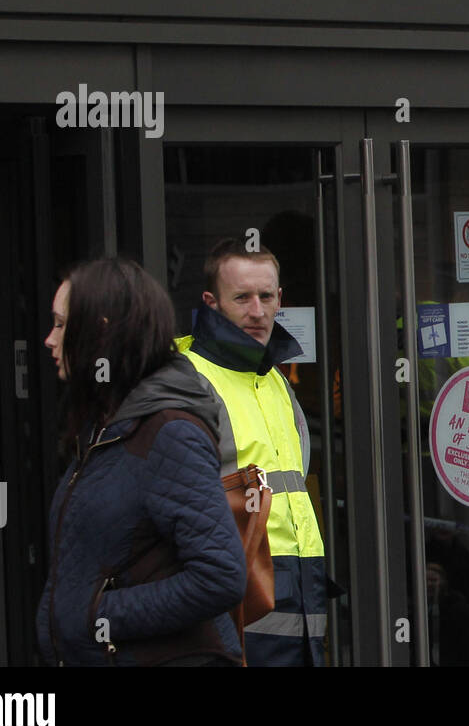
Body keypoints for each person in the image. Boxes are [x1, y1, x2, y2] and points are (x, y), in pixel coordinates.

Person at [36, 258, 246, 666]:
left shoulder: (168, 431)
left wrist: (94, 617)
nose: (48, 339)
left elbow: (219, 578)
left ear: (101, 330)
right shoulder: (106, 426)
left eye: (61, 324)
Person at [177, 237, 327, 666]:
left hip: (301, 582)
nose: (257, 311)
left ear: (280, 299)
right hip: (237, 584)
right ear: (211, 302)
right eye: (241, 297)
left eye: (266, 296)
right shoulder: (188, 377)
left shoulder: (276, 378)